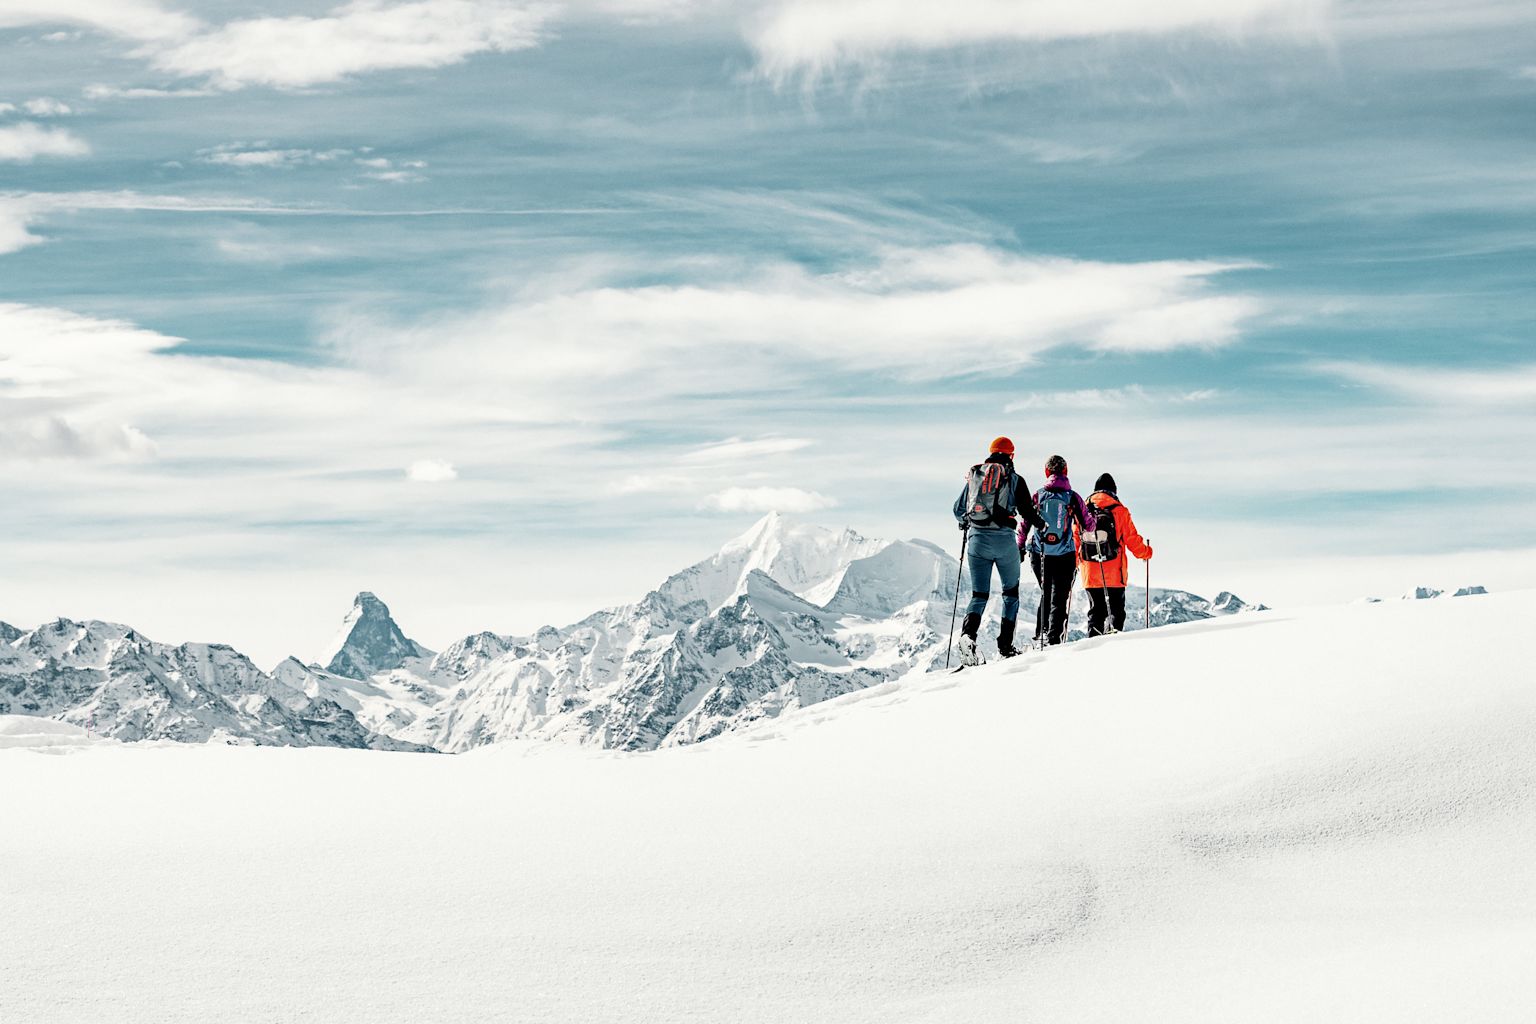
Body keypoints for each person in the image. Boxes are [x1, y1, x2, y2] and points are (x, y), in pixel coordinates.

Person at [951, 436, 1045, 665]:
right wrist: (1042, 525)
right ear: (1011, 455)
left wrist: (967, 521)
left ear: (991, 452)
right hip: (1004, 542)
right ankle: (1005, 646)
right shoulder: (1015, 479)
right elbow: (1027, 512)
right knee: (1010, 594)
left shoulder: (975, 477)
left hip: (977, 541)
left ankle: (968, 636)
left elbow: (957, 509)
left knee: (979, 595)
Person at [1025, 455, 1092, 646]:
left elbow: (1025, 524)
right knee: (1060, 596)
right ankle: (1054, 638)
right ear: (1066, 471)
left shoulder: (1038, 495)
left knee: (1046, 593)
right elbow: (1089, 526)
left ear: (1047, 472)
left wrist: (1021, 545)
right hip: (1065, 554)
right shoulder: (1072, 497)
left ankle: (1041, 634)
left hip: (1040, 553)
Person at [1080, 472, 1153, 636]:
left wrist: (1074, 564)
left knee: (1095, 613)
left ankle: (1091, 650)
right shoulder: (1120, 511)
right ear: (1114, 491)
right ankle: (1112, 647)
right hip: (1115, 573)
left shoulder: (1083, 511)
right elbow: (1132, 540)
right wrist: (1146, 553)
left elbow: (1075, 540)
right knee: (1116, 612)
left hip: (1090, 572)